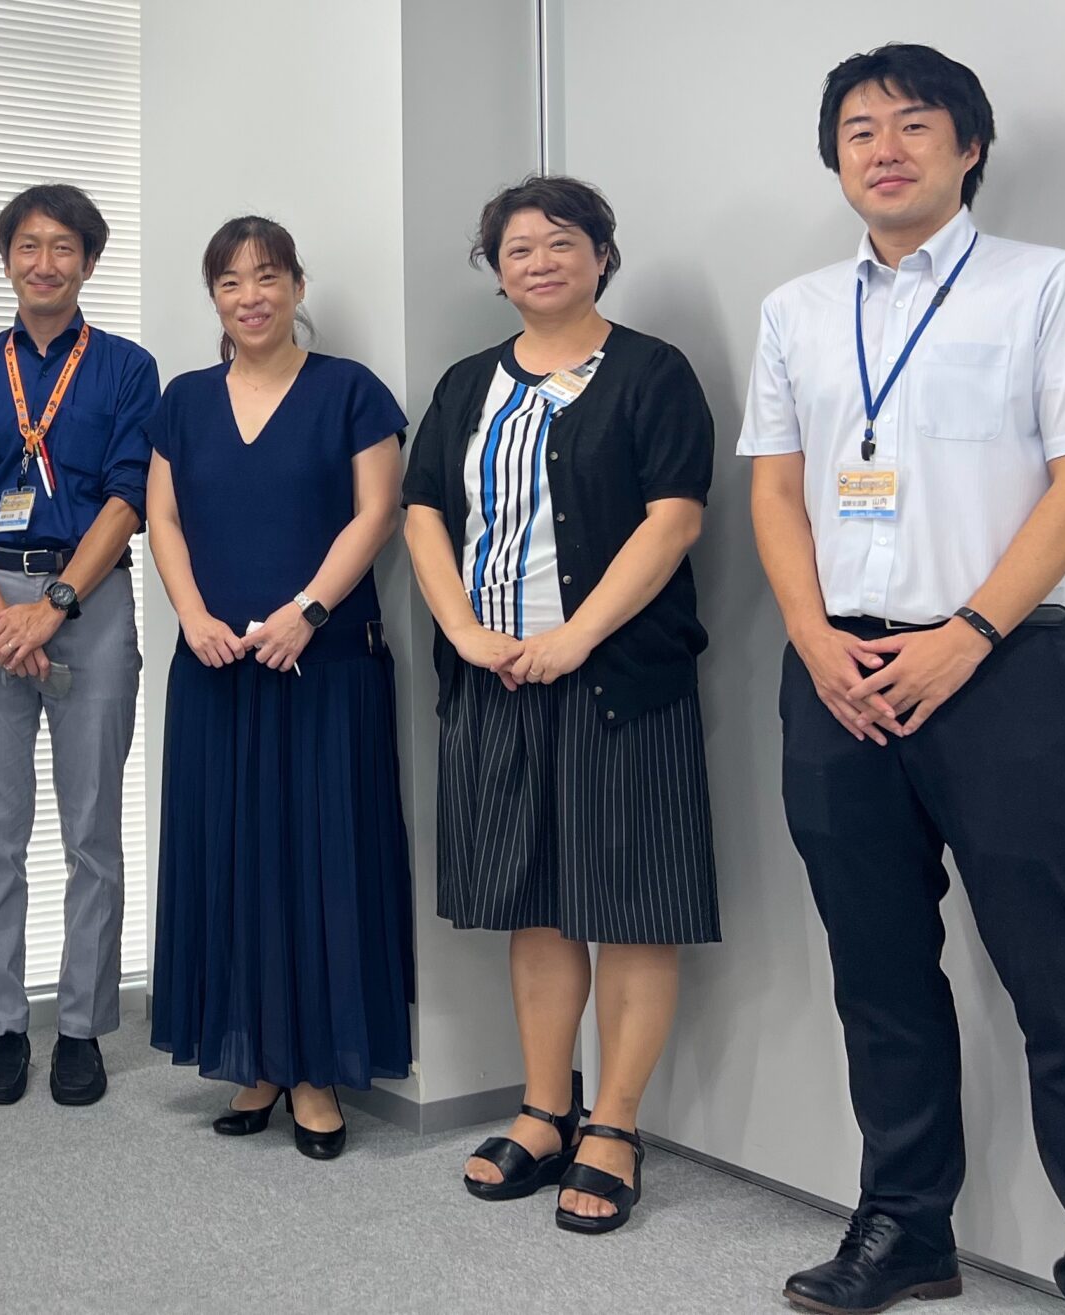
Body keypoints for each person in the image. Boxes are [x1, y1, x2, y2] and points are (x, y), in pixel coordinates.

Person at [740, 44, 1065, 1315]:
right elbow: (773, 487)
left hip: (1002, 667)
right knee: (876, 974)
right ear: (834, 158)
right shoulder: (796, 311)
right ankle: (906, 1230)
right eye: (858, 129)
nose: (884, 147)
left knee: (1061, 981)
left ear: (966, 146)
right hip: (835, 673)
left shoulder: (1045, 287)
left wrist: (969, 631)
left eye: (913, 124)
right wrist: (815, 642)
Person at [403, 176, 717, 1233]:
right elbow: (421, 516)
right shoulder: (463, 385)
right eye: (517, 248)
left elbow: (674, 519)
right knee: (532, 898)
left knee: (629, 902)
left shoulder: (649, 372)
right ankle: (545, 1107)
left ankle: (614, 1125)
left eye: (561, 242)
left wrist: (576, 638)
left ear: (600, 254)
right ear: (494, 269)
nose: (539, 260)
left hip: (618, 681)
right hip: (493, 677)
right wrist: (461, 631)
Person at [146, 215, 411, 1160]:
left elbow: (378, 513)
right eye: (229, 282)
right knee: (231, 860)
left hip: (324, 665)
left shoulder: (350, 392)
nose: (249, 296)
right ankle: (253, 1055)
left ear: (298, 285)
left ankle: (314, 1074)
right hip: (215, 665)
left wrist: (306, 610)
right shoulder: (182, 399)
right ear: (212, 297)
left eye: (267, 276)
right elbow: (164, 520)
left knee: (318, 862)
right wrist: (191, 615)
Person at [0, 184, 157, 1107]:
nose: (45, 263)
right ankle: (0, 1025)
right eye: (28, 246)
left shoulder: (126, 368)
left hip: (91, 595)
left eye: (63, 248)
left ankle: (80, 1027)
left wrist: (55, 605)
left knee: (91, 830)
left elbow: (130, 494)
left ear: (90, 262)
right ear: (6, 260)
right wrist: (0, 611)